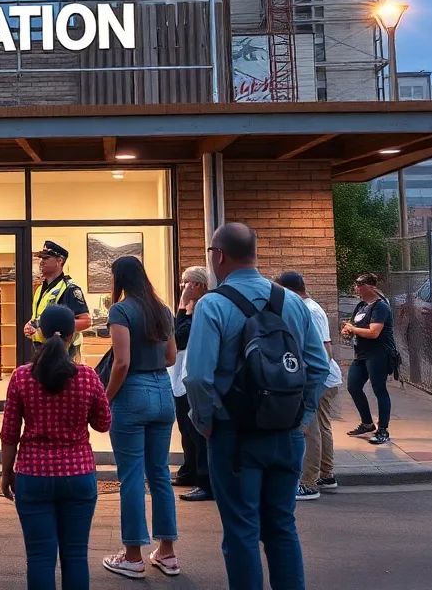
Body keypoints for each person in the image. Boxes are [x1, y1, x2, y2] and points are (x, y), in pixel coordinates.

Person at [184, 223, 328, 590]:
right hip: (287, 432)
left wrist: (204, 422)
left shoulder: (213, 305)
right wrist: (304, 416)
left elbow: (197, 377)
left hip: (234, 434)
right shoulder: (292, 302)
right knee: (282, 526)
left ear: (219, 255)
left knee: (241, 530)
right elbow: (319, 366)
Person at [1, 304, 111, 590]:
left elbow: (9, 433)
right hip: (78, 475)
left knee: (39, 557)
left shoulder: (21, 376)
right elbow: (103, 424)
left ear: (40, 333)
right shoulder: (87, 377)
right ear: (73, 335)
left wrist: (6, 473)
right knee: (76, 556)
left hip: (33, 474)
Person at [102, 255, 180, 580]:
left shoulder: (120, 311)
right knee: (159, 473)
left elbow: (122, 362)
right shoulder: (163, 310)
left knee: (132, 475)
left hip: (133, 393)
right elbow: (171, 357)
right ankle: (167, 552)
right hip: (163, 391)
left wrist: (106, 398)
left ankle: (133, 556)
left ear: (118, 278)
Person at [274, 271, 343, 499]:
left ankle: (308, 483)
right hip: (326, 378)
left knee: (310, 430)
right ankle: (326, 475)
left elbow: (324, 352)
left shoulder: (307, 310)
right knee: (322, 427)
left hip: (318, 379)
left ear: (288, 290)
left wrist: (310, 382)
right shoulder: (310, 307)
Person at [341, 273, 396, 446]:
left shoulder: (380, 307)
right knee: (353, 386)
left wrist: (353, 329)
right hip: (362, 354)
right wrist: (347, 331)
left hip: (379, 353)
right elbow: (353, 326)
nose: (356, 288)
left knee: (379, 389)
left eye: (360, 285)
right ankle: (367, 423)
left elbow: (374, 332)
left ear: (371, 287)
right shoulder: (361, 306)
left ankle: (383, 430)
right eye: (356, 285)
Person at [172, 265, 211, 503]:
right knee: (185, 428)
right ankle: (190, 470)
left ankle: (204, 481)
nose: (182, 287)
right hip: (182, 375)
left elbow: (180, 336)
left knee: (197, 430)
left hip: (195, 376)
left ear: (196, 285)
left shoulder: (202, 307)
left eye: (185, 283)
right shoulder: (192, 307)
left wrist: (181, 306)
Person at [25, 241, 91, 362]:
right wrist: (30, 324)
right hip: (41, 349)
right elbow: (38, 317)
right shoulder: (40, 289)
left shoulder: (70, 288)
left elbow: (86, 322)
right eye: (41, 258)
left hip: (64, 351)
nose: (41, 262)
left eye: (46, 258)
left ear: (59, 261)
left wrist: (50, 325)